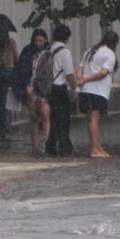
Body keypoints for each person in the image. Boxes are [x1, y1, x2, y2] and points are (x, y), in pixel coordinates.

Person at [76, 30, 119, 158]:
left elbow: (80, 68)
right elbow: (103, 73)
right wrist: (86, 79)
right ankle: (94, 149)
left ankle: (97, 147)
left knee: (92, 120)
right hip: (98, 91)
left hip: (86, 90)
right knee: (94, 120)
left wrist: (81, 79)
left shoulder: (90, 51)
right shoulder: (110, 54)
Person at [12, 29, 51, 154]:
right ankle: (34, 146)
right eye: (36, 41)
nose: (39, 43)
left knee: (45, 114)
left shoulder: (49, 52)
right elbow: (21, 69)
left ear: (45, 40)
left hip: (45, 88)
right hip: (31, 86)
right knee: (33, 116)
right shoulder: (27, 51)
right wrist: (25, 85)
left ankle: (45, 144)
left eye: (41, 40)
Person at [45, 24, 76, 156]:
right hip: (60, 88)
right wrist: (74, 89)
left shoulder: (48, 50)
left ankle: (51, 145)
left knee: (53, 118)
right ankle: (64, 146)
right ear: (67, 38)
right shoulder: (65, 52)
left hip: (49, 89)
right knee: (63, 119)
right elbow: (69, 74)